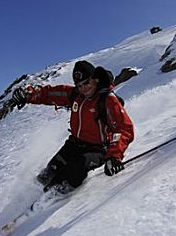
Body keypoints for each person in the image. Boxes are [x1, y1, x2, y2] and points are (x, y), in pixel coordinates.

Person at [11, 60, 134, 194]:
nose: (83, 88)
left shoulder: (107, 99)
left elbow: (124, 128)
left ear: (96, 80)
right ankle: (33, 196)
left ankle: (52, 198)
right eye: (79, 85)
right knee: (48, 173)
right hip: (74, 145)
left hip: (98, 150)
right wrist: (27, 95)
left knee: (75, 170)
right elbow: (50, 94)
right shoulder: (75, 94)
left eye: (86, 83)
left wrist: (114, 157)